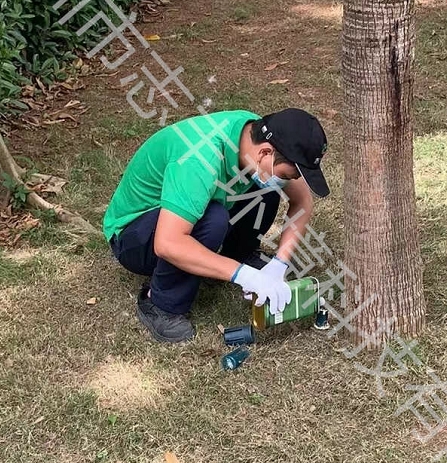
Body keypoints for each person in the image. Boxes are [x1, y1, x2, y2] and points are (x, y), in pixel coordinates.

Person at [103, 108, 330, 343]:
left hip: (185, 210)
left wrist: (280, 263)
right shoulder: (199, 159)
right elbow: (167, 243)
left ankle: (234, 256)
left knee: (265, 189)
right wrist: (245, 276)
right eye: (287, 175)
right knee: (213, 219)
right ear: (265, 152)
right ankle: (161, 302)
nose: (289, 181)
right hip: (134, 234)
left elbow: (302, 202)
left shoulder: (251, 135)